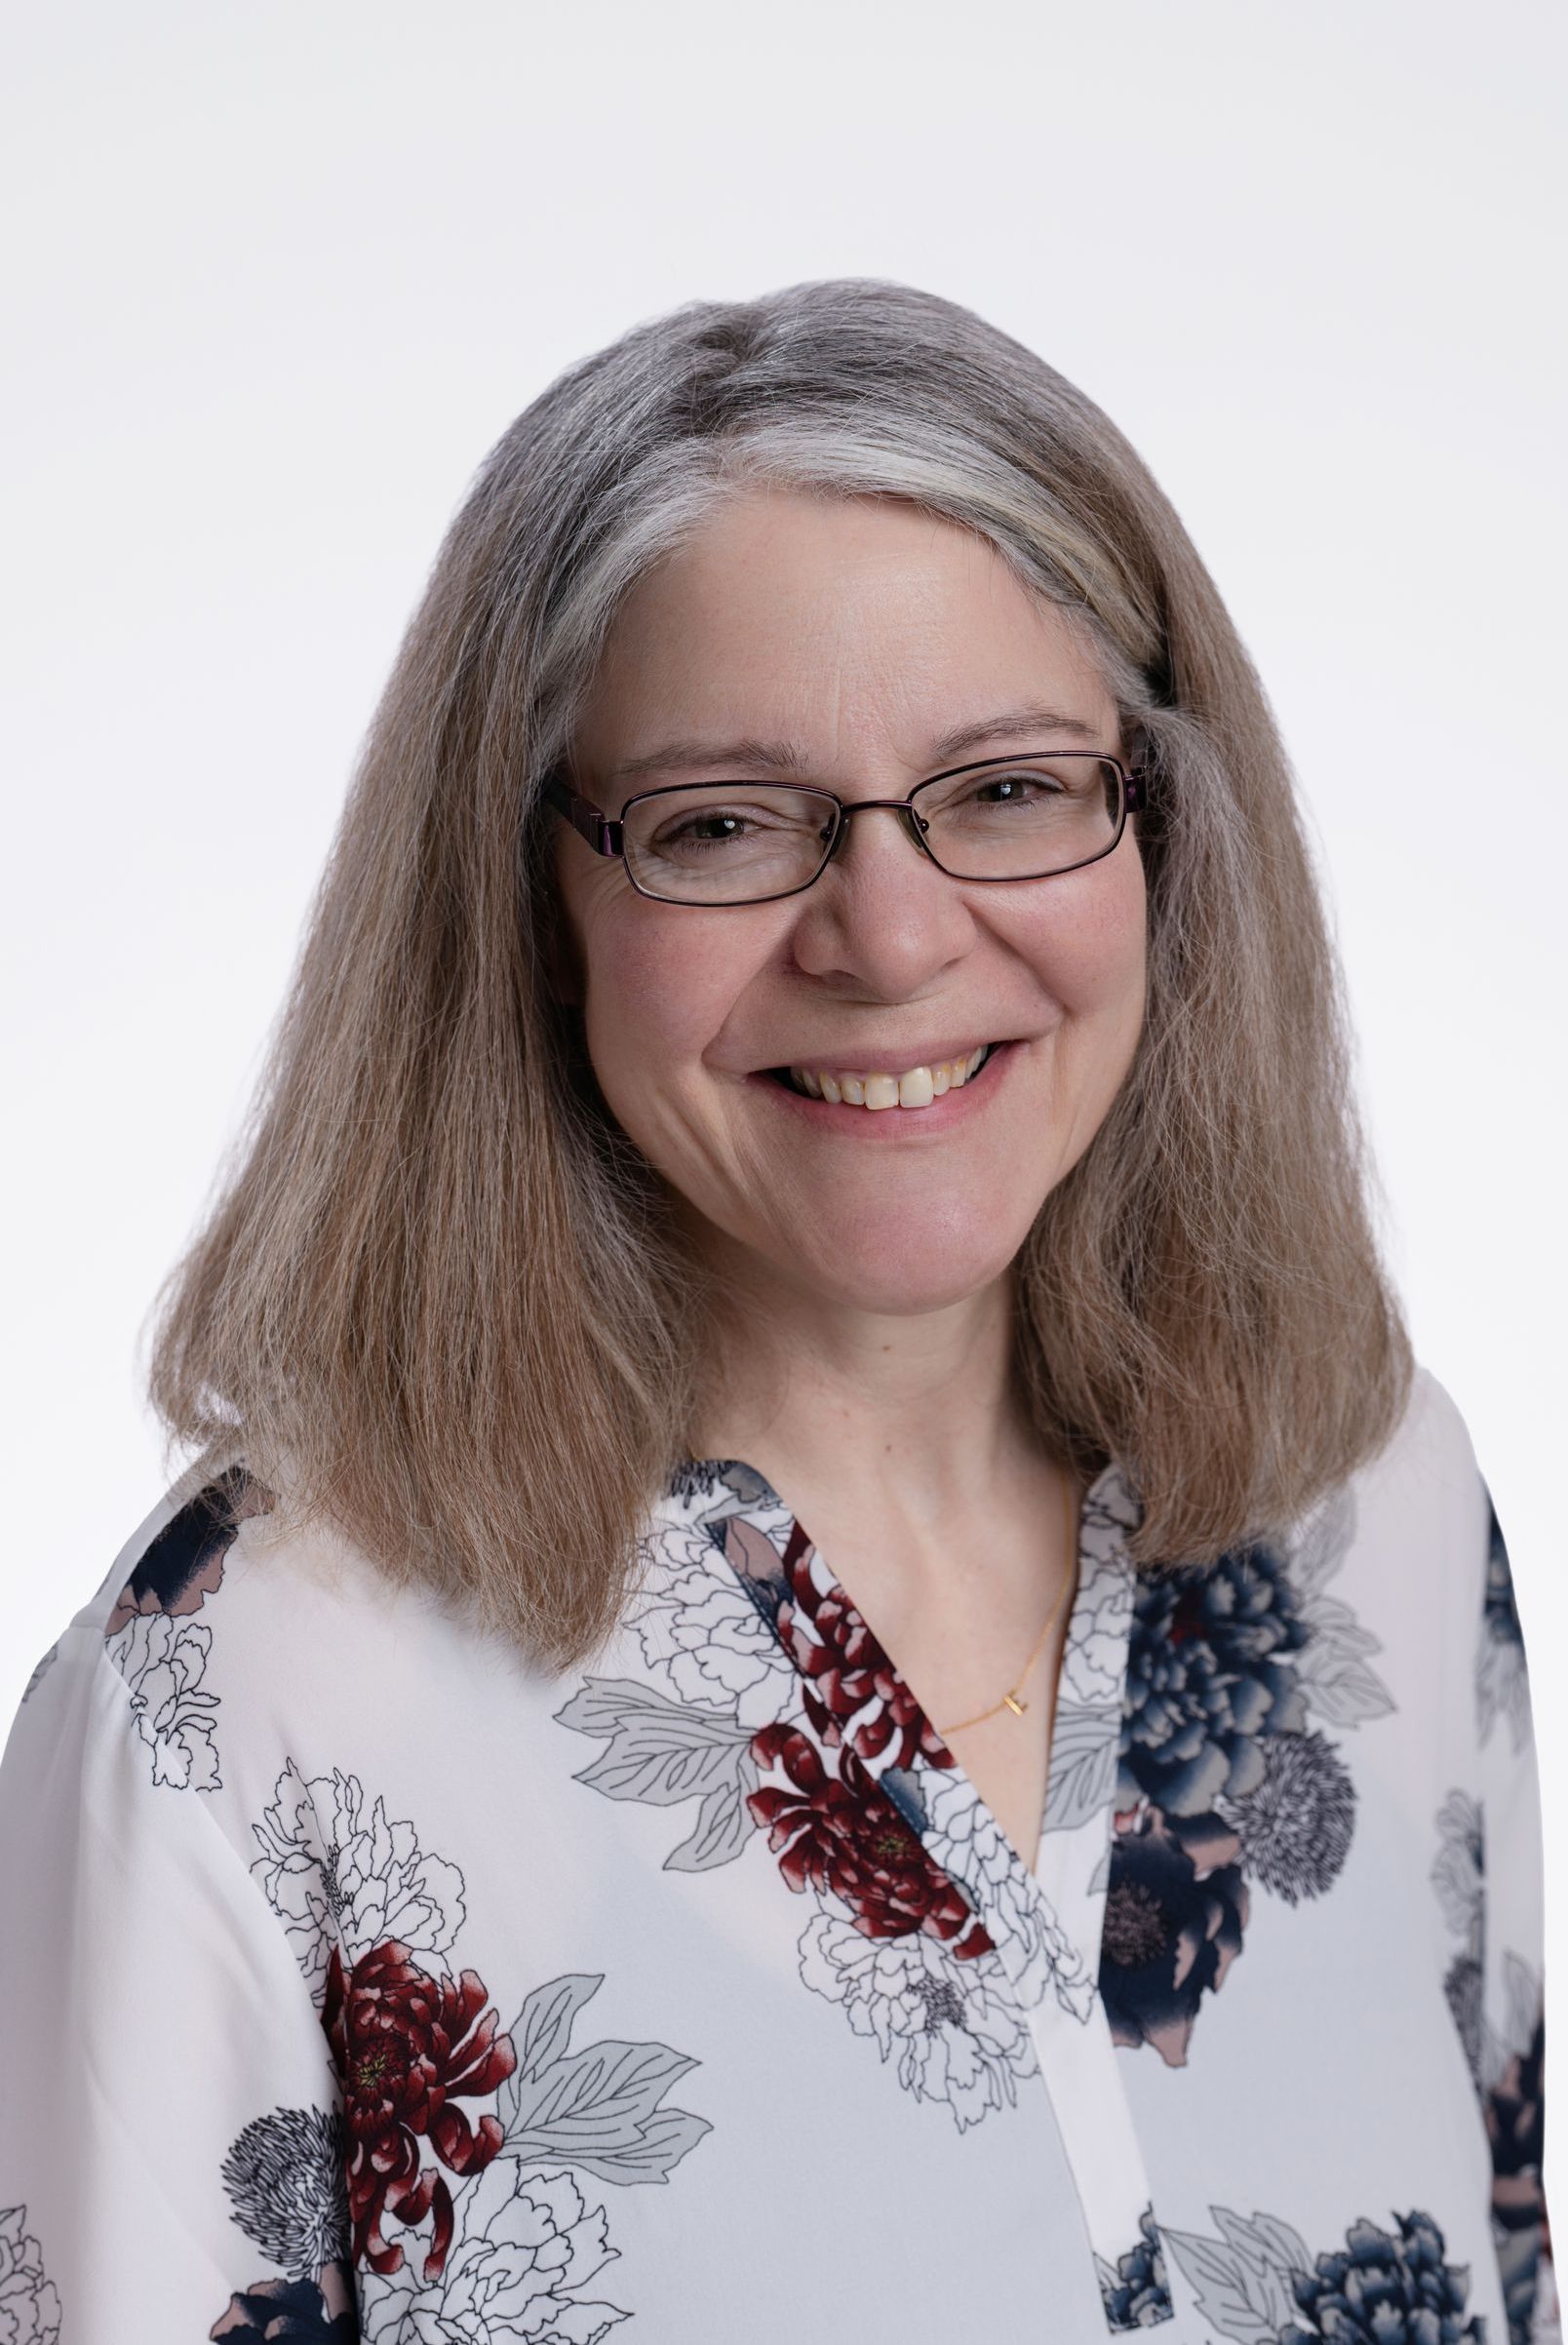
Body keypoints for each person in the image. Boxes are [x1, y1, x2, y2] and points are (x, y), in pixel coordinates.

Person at [0, 278, 1554, 2345]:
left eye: (1006, 786)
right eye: (726, 824)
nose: (893, 940)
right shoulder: (244, 1707)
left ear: (1167, 827)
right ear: (532, 898)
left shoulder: (1377, 1508)